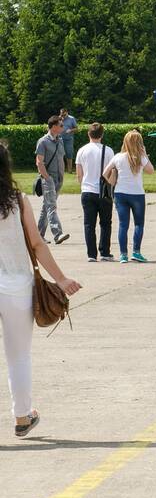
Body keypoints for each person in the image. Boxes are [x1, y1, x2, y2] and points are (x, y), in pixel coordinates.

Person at [0, 142, 82, 438]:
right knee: (18, 356)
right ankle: (22, 417)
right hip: (17, 287)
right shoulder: (17, 201)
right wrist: (60, 279)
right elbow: (37, 244)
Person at [103, 130, 155, 263]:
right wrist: (144, 154)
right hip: (137, 194)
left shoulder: (118, 157)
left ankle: (123, 254)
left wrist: (112, 180)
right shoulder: (141, 158)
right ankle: (136, 252)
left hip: (120, 193)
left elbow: (105, 173)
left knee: (123, 225)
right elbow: (151, 171)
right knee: (138, 224)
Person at [74, 123, 114, 262]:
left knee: (89, 224)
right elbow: (112, 173)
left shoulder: (82, 151)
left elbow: (79, 174)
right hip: (104, 191)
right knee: (105, 223)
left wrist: (83, 184)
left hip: (87, 190)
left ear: (88, 134)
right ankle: (104, 251)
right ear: (102, 135)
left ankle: (91, 254)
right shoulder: (108, 151)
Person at [34, 116, 68, 245]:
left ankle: (38, 235)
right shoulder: (43, 141)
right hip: (48, 179)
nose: (63, 128)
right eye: (61, 125)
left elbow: (61, 159)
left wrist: (62, 176)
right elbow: (39, 162)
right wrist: (47, 178)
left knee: (46, 207)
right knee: (52, 206)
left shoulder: (60, 141)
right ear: (53, 126)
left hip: (59, 178)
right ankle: (58, 234)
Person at [59, 107, 77, 174]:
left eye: (63, 114)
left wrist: (70, 130)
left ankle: (70, 170)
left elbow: (76, 128)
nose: (62, 115)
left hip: (69, 139)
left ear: (67, 112)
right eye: (61, 114)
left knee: (69, 154)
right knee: (60, 154)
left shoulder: (72, 119)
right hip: (59, 139)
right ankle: (61, 170)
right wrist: (60, 119)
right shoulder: (59, 118)